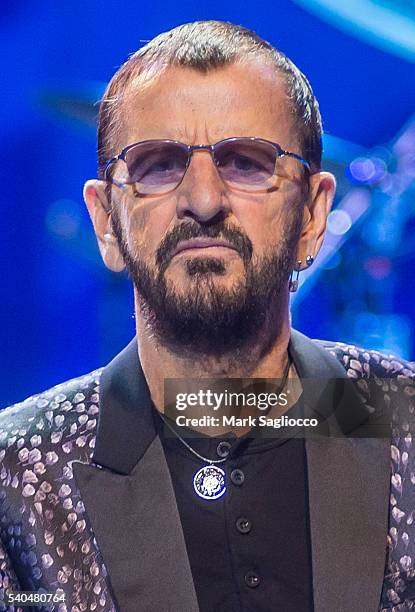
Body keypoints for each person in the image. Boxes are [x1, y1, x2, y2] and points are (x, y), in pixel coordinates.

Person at [0, 20, 413, 612]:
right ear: (105, 223)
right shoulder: (15, 475)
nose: (203, 200)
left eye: (246, 162)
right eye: (158, 165)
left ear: (314, 216)